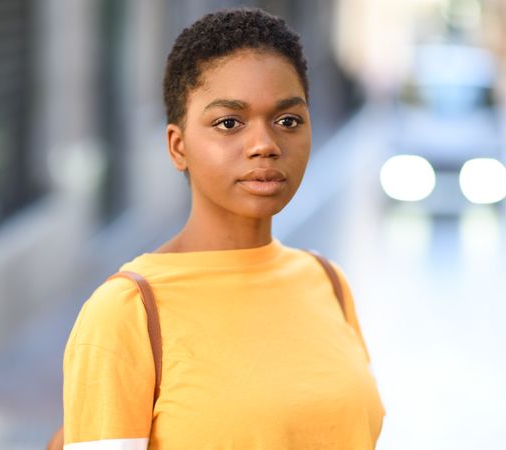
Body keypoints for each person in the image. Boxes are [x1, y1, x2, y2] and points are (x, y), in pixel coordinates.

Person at [61, 8, 384, 450]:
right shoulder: (127, 311)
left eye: (287, 120)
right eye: (229, 123)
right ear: (178, 147)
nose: (265, 145)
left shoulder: (327, 282)